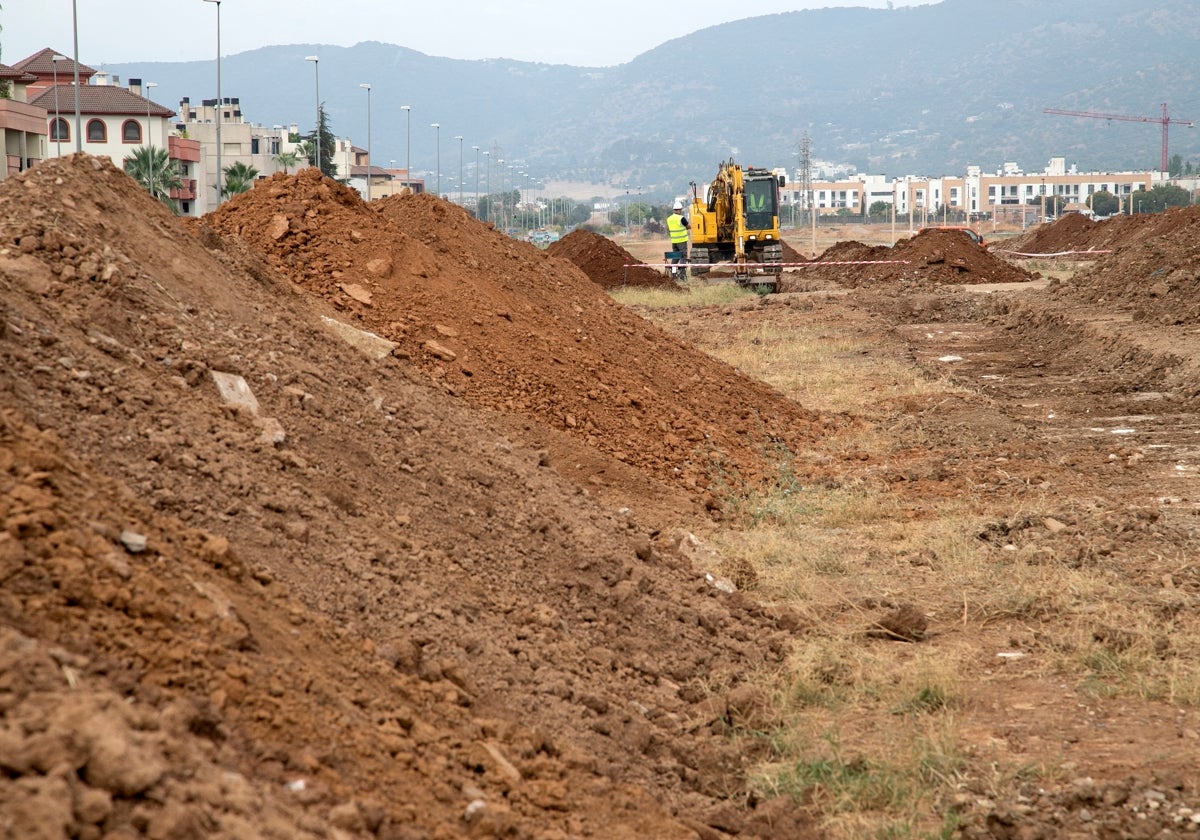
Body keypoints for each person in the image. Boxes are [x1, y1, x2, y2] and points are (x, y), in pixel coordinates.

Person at [666, 200, 689, 278]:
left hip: (674, 242)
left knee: (675, 258)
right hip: (681, 241)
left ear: (674, 210)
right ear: (680, 210)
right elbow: (688, 226)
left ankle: (673, 274)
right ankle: (682, 276)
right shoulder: (681, 218)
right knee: (683, 257)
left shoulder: (669, 219)